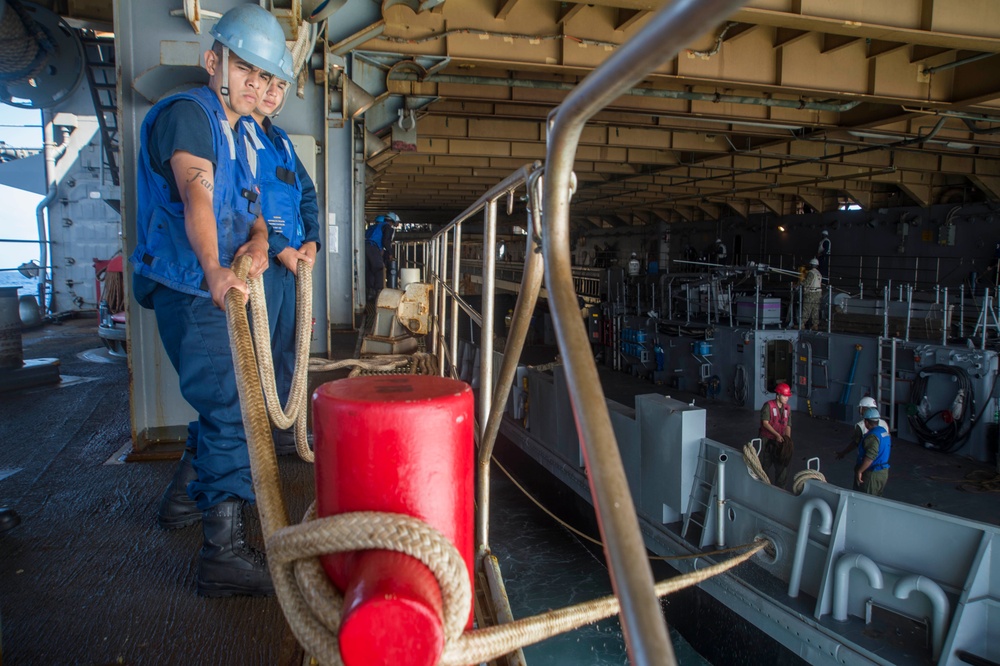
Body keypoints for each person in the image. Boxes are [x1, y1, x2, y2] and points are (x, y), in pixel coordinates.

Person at [130, 4, 293, 597]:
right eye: (246, 68)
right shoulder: (188, 116)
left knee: (221, 404)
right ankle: (221, 556)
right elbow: (196, 195)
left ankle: (182, 503)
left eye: (267, 75)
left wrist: (256, 241)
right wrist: (216, 270)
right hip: (193, 286)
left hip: (217, 284)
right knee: (232, 408)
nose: (257, 84)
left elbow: (251, 215)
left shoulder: (240, 132)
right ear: (213, 61)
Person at [243, 67, 320, 455]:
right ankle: (252, 444)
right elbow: (236, 202)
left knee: (291, 346)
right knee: (255, 353)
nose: (273, 92)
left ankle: (288, 435)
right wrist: (278, 247)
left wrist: (312, 241)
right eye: (267, 83)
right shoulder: (236, 134)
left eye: (281, 86)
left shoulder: (283, 142)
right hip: (259, 263)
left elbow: (307, 194)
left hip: (291, 265)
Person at [846, 407, 891, 496]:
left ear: (866, 422)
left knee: (866, 499)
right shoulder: (883, 432)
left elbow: (870, 458)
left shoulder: (872, 436)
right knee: (876, 499)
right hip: (883, 472)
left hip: (872, 473)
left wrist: (860, 471)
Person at [759, 383, 793, 488]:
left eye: (787, 396)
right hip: (767, 440)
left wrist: (787, 440)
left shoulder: (787, 408)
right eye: (784, 396)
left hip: (780, 442)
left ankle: (780, 490)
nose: (786, 398)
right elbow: (765, 423)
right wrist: (777, 434)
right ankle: (764, 488)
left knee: (782, 467)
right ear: (778, 395)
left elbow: (788, 425)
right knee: (764, 465)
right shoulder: (768, 406)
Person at [837, 396, 889, 463]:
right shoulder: (884, 423)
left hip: (866, 461)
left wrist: (843, 453)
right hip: (882, 461)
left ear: (864, 409)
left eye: (860, 408)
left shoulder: (861, 425)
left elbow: (856, 443)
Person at [364, 212, 398, 300]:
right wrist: (390, 253)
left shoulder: (375, 226)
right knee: (379, 268)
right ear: (392, 222)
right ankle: (379, 293)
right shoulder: (387, 227)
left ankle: (370, 293)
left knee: (370, 270)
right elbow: (386, 241)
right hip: (373, 247)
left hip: (365, 247)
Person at [800, 258, 822, 330]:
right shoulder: (819, 273)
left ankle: (802, 324)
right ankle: (815, 325)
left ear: (811, 265)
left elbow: (807, 283)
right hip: (818, 293)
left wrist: (800, 283)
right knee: (815, 309)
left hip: (811, 293)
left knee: (807, 308)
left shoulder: (811, 272)